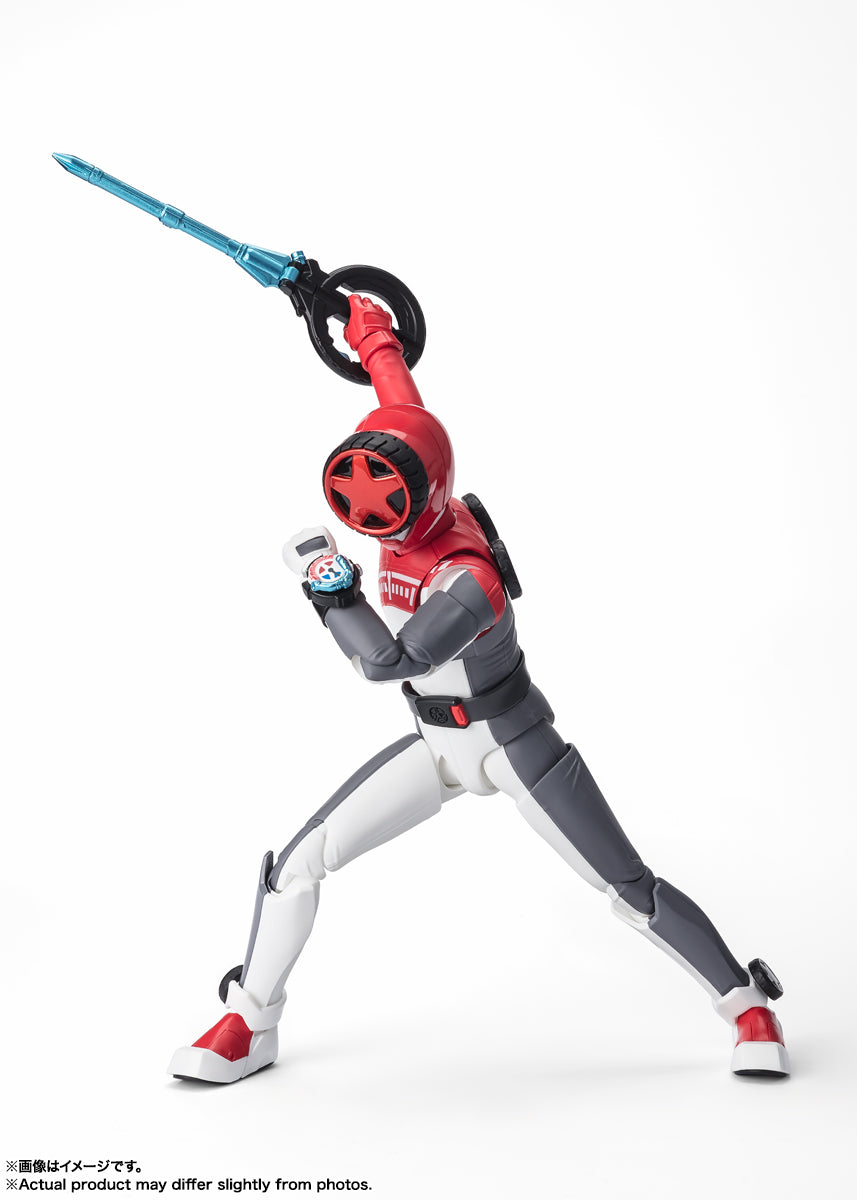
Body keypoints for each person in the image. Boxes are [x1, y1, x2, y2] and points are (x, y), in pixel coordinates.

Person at [169, 296, 789, 1084]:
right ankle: (249, 1022)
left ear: (423, 488)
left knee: (627, 886)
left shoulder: (467, 578)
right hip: (436, 744)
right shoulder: (418, 470)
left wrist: (328, 588)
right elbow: (397, 393)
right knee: (296, 865)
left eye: (381, 488)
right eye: (359, 480)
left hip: (511, 742)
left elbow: (386, 663)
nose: (367, 505)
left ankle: (746, 1006)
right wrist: (357, 317)